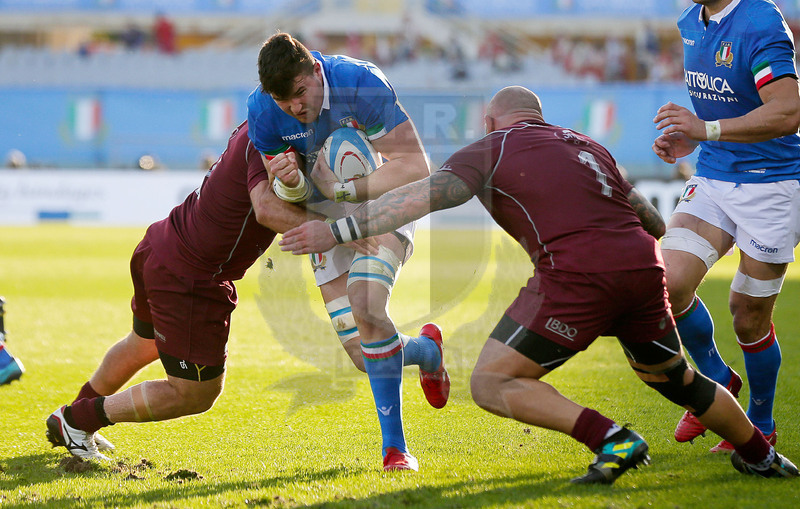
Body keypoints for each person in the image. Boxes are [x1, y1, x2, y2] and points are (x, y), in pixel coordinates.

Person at [280, 86, 799, 482]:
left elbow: (424, 197)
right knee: (676, 380)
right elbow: (651, 220)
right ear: (540, 117)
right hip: (644, 271)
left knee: (490, 382)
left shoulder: (490, 148)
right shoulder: (588, 145)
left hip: (577, 276)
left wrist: (339, 228)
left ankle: (612, 439)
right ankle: (762, 455)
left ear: (489, 122)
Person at [44, 120, 342, 461]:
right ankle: (76, 420)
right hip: (190, 276)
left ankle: (71, 419)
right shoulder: (273, 135)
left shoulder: (259, 121)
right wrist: (347, 230)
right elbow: (268, 210)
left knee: (141, 345)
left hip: (163, 243)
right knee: (194, 393)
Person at [246, 33, 448, 471]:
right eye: (285, 102)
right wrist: (291, 182)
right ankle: (428, 353)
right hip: (325, 214)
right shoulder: (262, 111)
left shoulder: (360, 82)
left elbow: (416, 167)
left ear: (315, 71)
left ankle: (395, 451)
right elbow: (289, 195)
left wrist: (344, 193)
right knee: (361, 354)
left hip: (386, 201)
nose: (296, 108)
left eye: (301, 93)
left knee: (365, 301)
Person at [652, 0, 800, 453]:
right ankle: (717, 381)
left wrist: (708, 128)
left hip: (772, 185)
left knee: (748, 315)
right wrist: (689, 136)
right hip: (715, 174)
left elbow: (788, 111)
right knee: (666, 284)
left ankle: (760, 424)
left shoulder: (759, 20)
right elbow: (722, 103)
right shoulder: (688, 22)